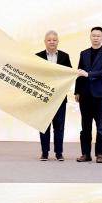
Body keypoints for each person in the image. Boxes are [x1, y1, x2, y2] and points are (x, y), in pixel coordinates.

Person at [75, 26, 102, 164]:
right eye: (93, 35)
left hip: (100, 95)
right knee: (85, 126)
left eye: (98, 36)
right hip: (85, 95)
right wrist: (77, 91)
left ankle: (99, 154)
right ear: (90, 37)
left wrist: (89, 74)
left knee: (100, 126)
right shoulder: (84, 53)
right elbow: (79, 73)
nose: (96, 38)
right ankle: (85, 154)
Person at [34, 30, 73, 161]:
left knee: (59, 126)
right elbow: (34, 75)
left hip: (59, 97)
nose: (52, 42)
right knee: (44, 125)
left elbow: (69, 74)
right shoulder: (37, 56)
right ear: (45, 42)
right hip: (43, 97)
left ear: (58, 41)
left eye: (54, 40)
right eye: (49, 40)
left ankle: (59, 153)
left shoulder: (64, 56)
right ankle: (45, 152)